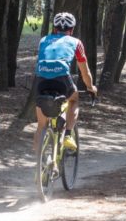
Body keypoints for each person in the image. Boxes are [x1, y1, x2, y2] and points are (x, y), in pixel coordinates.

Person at [33, 12, 98, 153]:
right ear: (72, 30)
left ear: (54, 28)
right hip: (62, 79)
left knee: (41, 125)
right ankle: (68, 134)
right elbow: (84, 71)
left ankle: (39, 166)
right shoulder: (76, 42)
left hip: (41, 80)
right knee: (74, 100)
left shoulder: (43, 40)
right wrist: (90, 87)